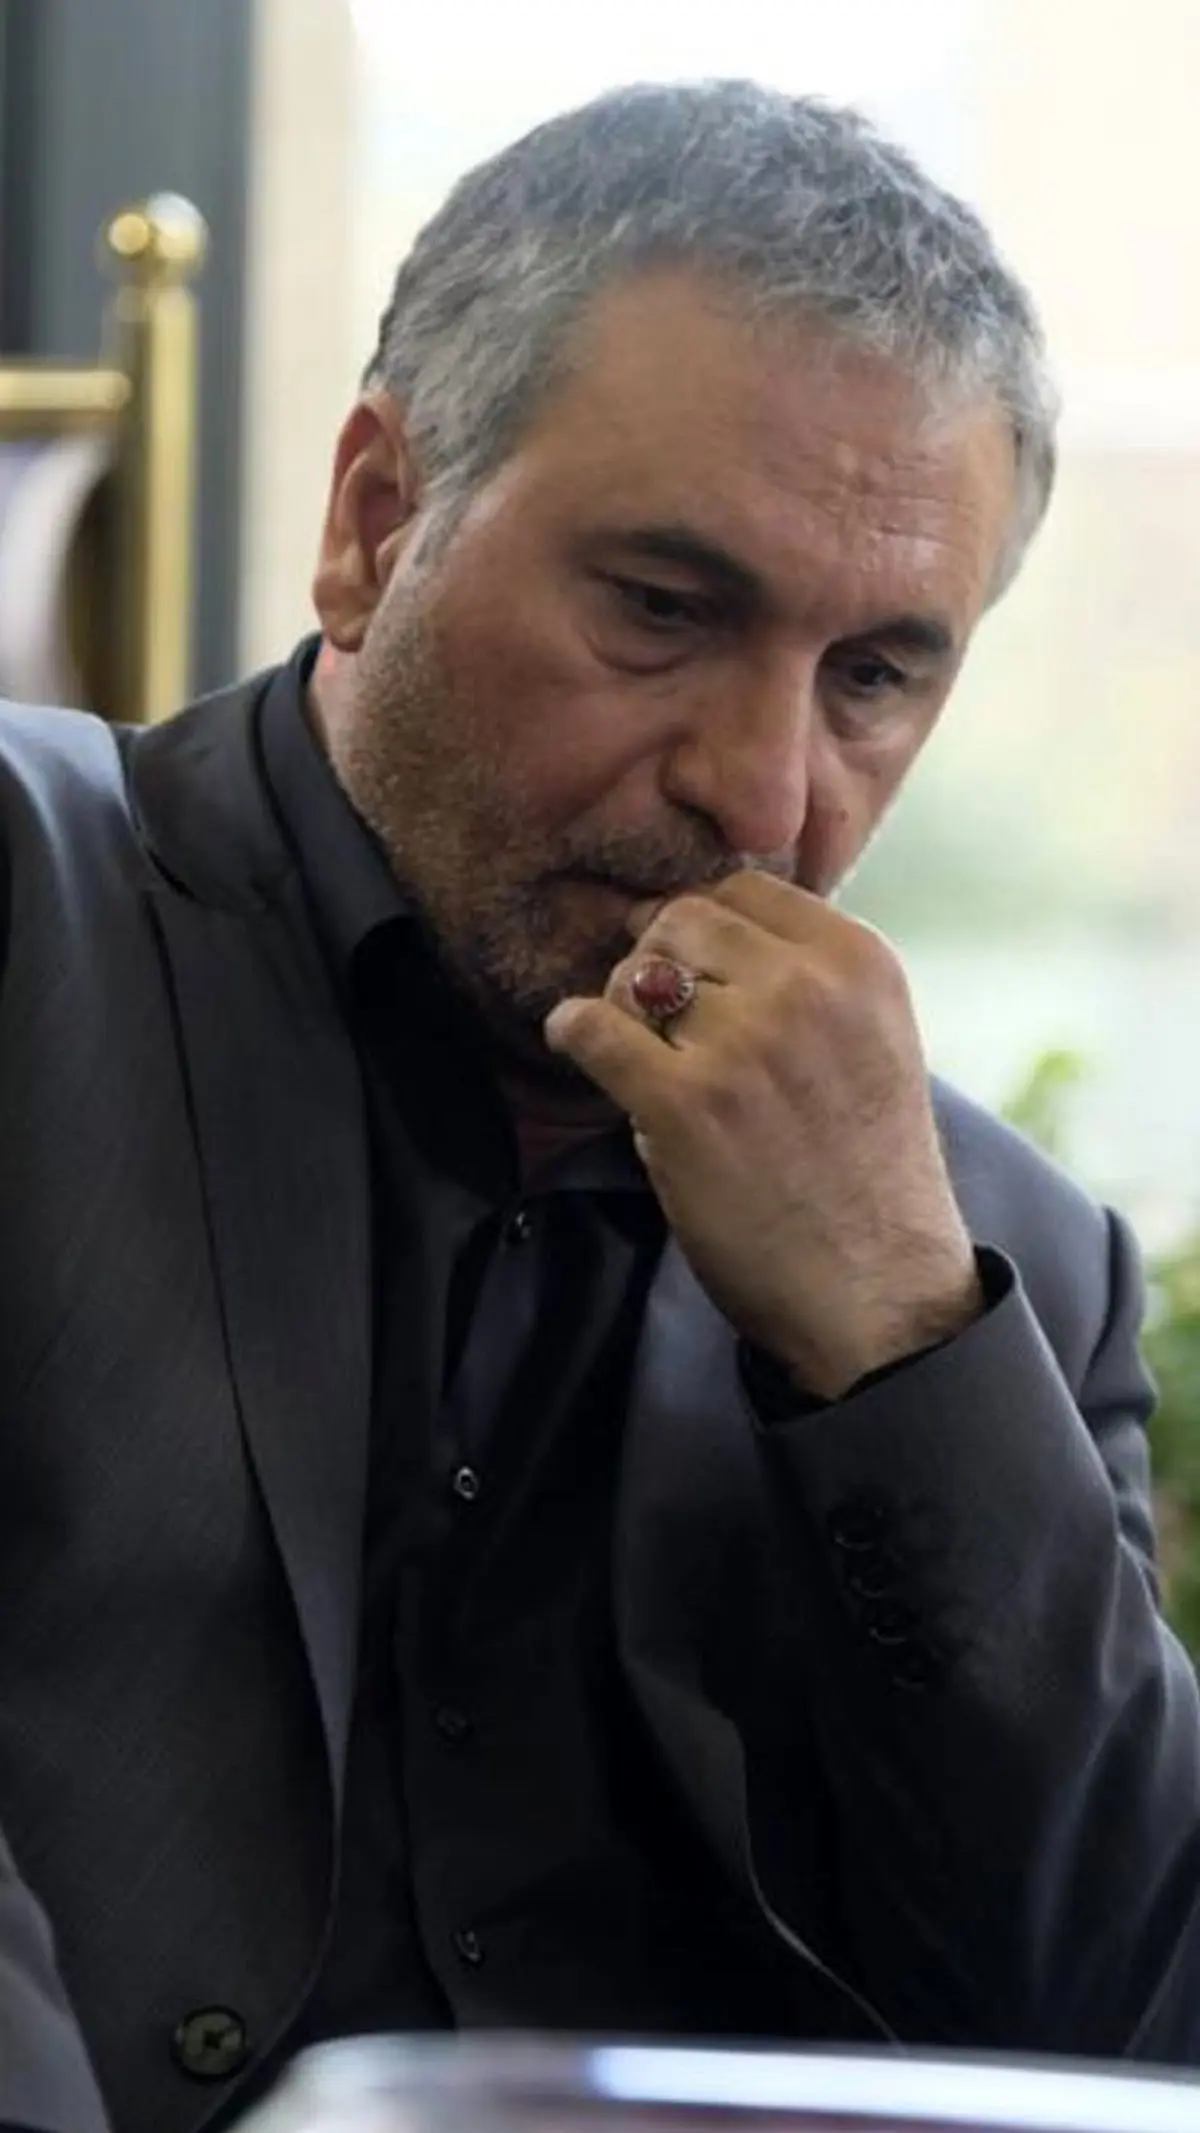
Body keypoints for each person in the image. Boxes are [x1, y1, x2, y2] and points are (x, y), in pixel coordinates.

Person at [1, 77, 1198, 2133]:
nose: (765, 792)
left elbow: (1127, 2030)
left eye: (876, 675)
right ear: (376, 518)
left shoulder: (999, 1259)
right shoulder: (36, 907)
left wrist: (901, 1351)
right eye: (662, 608)